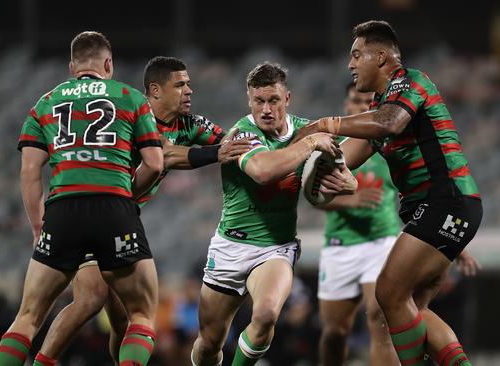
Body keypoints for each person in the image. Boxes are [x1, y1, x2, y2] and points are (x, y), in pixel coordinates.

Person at [30, 56, 251, 365]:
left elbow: (233, 141)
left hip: (121, 220)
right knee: (91, 298)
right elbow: (165, 155)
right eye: (180, 85)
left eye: (189, 83)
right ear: (155, 90)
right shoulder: (133, 115)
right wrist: (218, 152)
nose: (189, 90)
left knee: (123, 322)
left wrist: (269, 143)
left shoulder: (190, 124)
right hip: (95, 210)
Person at [296, 20, 482, 366]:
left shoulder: (412, 82)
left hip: (444, 201)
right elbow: (343, 159)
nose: (350, 65)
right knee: (414, 309)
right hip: (448, 208)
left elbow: (388, 123)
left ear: (380, 57)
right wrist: (306, 162)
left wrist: (324, 124)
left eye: (356, 55)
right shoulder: (383, 105)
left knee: (387, 293)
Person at [0, 31, 164, 366]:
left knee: (28, 316)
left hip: (63, 210)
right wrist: (126, 197)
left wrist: (38, 226)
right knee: (141, 314)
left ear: (72, 67)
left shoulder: (44, 103)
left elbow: (30, 172)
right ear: (108, 64)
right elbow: (155, 164)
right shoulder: (130, 97)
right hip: (114, 206)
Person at [191, 62, 358, 366]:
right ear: (249, 100)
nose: (266, 109)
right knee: (209, 344)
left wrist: (348, 182)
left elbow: (340, 169)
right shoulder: (241, 134)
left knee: (266, 314)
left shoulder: (309, 130)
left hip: (275, 247)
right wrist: (308, 143)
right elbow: (263, 171)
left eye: (274, 100)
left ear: (287, 99)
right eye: (259, 101)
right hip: (231, 247)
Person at [316, 82, 400, 366]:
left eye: (369, 103)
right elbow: (313, 197)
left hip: (382, 242)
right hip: (340, 244)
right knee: (335, 332)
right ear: (346, 106)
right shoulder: (331, 151)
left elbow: (414, 194)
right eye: (356, 101)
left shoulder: (389, 149)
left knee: (381, 322)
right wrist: (351, 200)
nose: (363, 107)